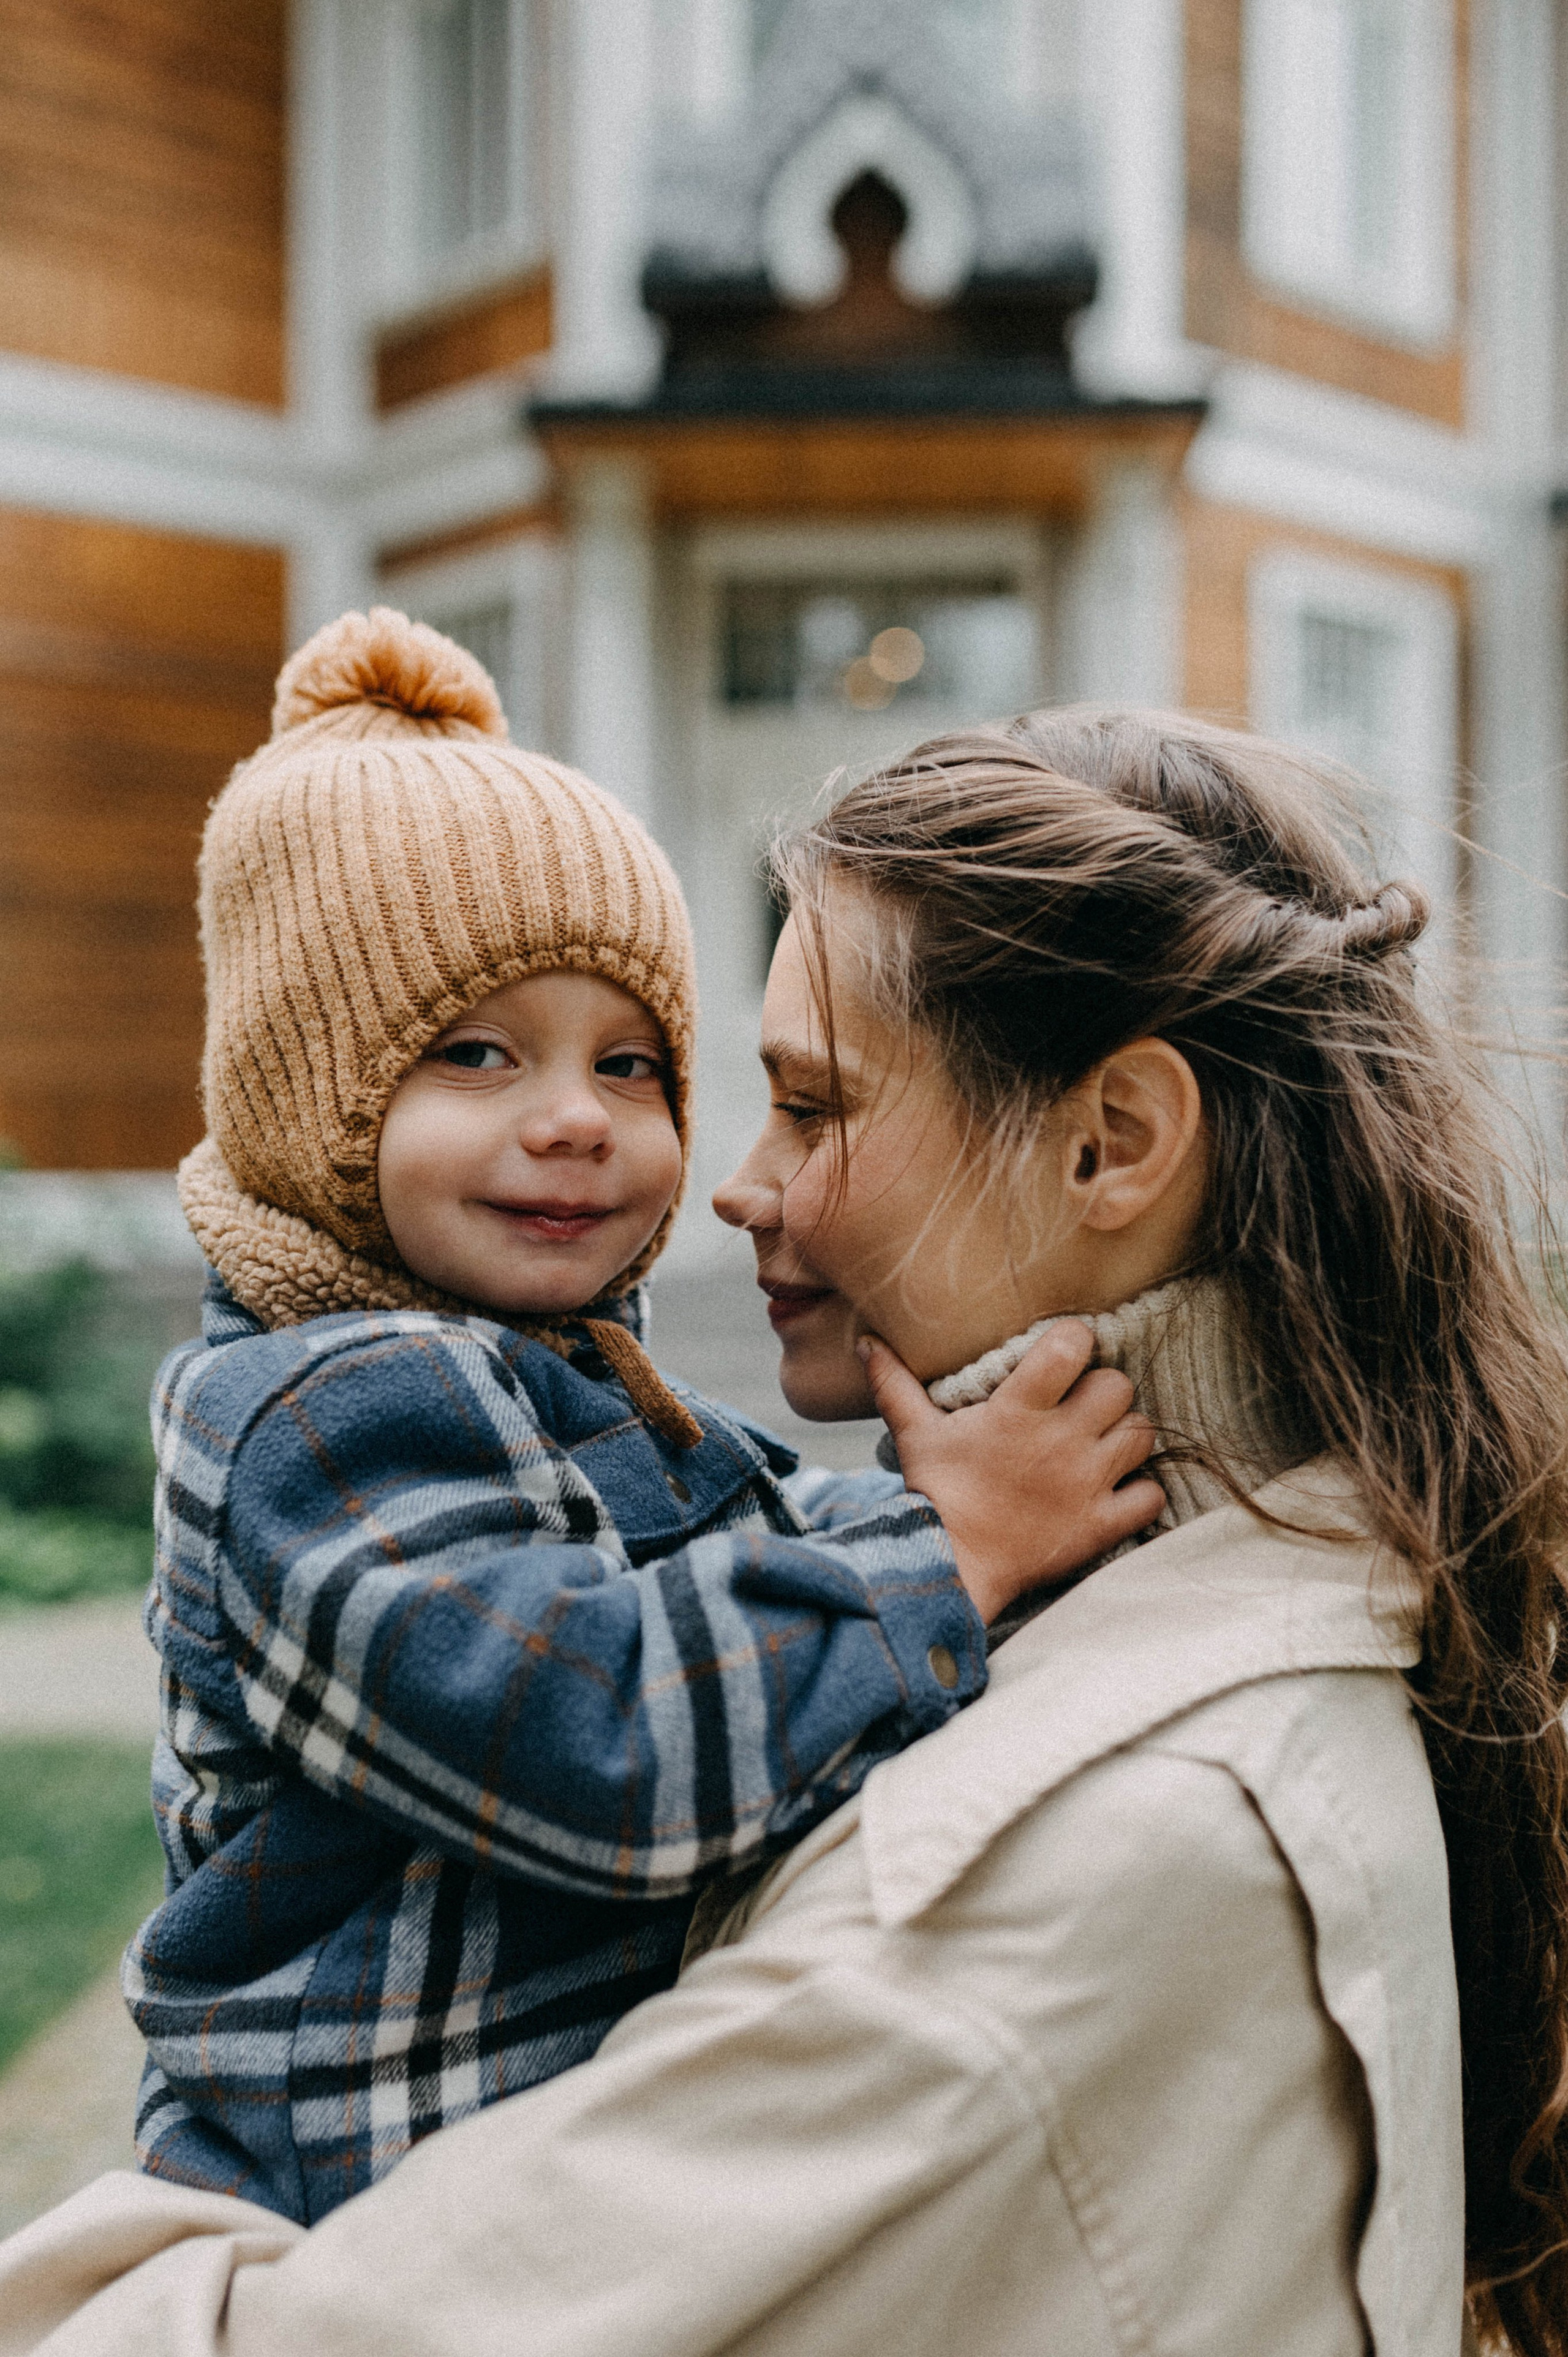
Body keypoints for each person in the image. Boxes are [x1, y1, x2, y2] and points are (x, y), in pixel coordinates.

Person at [5, 709, 1567, 2357]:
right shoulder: (1241, 1588)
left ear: (1109, 1142)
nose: (732, 1185)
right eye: (477, 1052)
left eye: (808, 1105)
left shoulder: (1066, 1860)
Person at [107, 610, 1158, 2232]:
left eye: (632, 1063)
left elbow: (711, 1569)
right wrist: (949, 1546)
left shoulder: (538, 1367)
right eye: (474, 1054)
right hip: (358, 2206)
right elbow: (597, 1738)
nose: (575, 1123)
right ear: (308, 1094)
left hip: (505, 2179)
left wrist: (918, 1513)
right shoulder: (324, 1416)